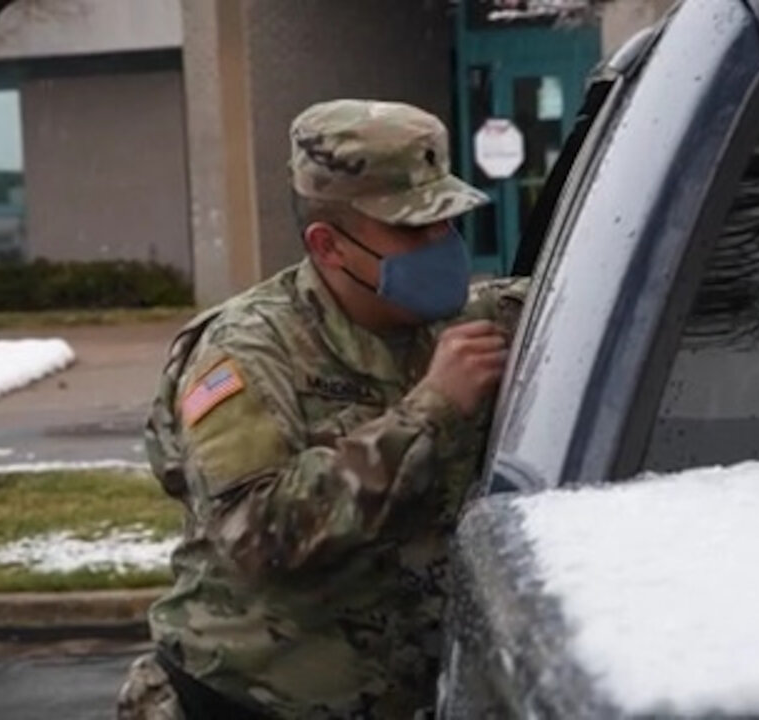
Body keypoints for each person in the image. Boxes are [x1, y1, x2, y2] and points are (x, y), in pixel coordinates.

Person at [117, 98, 528, 720]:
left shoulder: (474, 320)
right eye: (413, 230)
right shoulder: (245, 351)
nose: (441, 244)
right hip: (238, 705)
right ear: (328, 246)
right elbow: (257, 534)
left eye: (446, 221)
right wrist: (431, 412)